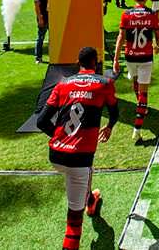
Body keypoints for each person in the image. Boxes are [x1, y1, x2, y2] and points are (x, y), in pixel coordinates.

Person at [36, 46, 118, 250]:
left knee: (79, 180)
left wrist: (60, 138)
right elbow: (115, 112)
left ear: (77, 62)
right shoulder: (105, 83)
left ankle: (91, 199)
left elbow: (41, 121)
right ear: (96, 62)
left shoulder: (63, 83)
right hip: (79, 160)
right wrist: (109, 127)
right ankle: (88, 205)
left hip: (55, 155)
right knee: (74, 222)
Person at [113, 0, 159, 141]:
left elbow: (121, 37)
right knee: (144, 93)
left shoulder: (126, 14)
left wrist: (115, 59)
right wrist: (158, 45)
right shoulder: (152, 14)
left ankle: (141, 107)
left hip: (130, 56)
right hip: (145, 57)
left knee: (135, 81)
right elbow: (158, 34)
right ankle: (137, 128)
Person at [33, 0, 49, 64]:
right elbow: (37, 7)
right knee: (40, 37)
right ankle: (38, 57)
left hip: (53, 17)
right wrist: (40, 18)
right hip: (44, 17)